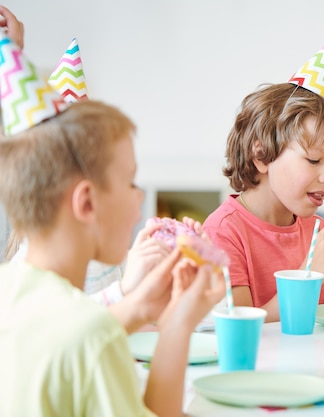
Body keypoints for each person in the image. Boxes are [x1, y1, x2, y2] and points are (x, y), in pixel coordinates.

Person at [0, 32, 225, 416]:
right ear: (87, 201)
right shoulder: (94, 338)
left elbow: (66, 335)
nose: (139, 197)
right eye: (130, 182)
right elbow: (88, 337)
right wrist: (176, 328)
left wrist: (139, 306)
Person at [203, 26, 324, 322]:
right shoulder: (223, 232)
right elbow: (240, 324)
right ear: (262, 155)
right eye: (313, 160)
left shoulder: (315, 230)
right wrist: (309, 274)